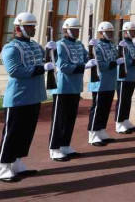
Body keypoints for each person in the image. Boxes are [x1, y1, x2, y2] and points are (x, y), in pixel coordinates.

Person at [0, 12, 50, 183]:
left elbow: (46, 60)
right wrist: (41, 69)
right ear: (18, 28)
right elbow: (15, 71)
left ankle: (17, 163)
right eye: (29, 26)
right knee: (11, 134)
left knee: (26, 133)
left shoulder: (35, 46)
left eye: (33, 26)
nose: (33, 29)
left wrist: (51, 51)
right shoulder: (11, 48)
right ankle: (3, 167)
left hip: (34, 95)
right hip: (18, 97)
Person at [49, 18, 87, 162]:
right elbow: (63, 67)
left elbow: (86, 57)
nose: (77, 32)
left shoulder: (79, 44)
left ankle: (65, 145)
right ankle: (54, 147)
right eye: (74, 29)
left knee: (70, 118)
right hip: (62, 87)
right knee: (59, 119)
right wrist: (83, 66)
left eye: (78, 29)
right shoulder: (60, 45)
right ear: (66, 30)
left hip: (75, 86)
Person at [87, 21, 121, 146]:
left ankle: (101, 131)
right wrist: (114, 63)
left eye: (112, 32)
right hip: (100, 82)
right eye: (108, 32)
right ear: (101, 32)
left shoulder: (112, 45)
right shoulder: (96, 46)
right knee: (97, 109)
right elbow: (99, 64)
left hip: (110, 82)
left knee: (106, 108)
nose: (111, 34)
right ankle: (92, 133)